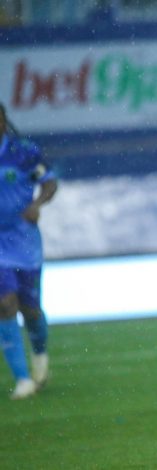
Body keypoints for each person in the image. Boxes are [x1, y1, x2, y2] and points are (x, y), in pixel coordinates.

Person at [0, 102, 56, 400]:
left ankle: (39, 352)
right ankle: (22, 379)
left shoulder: (24, 153)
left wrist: (37, 204)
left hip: (24, 243)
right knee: (5, 304)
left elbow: (49, 182)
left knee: (30, 309)